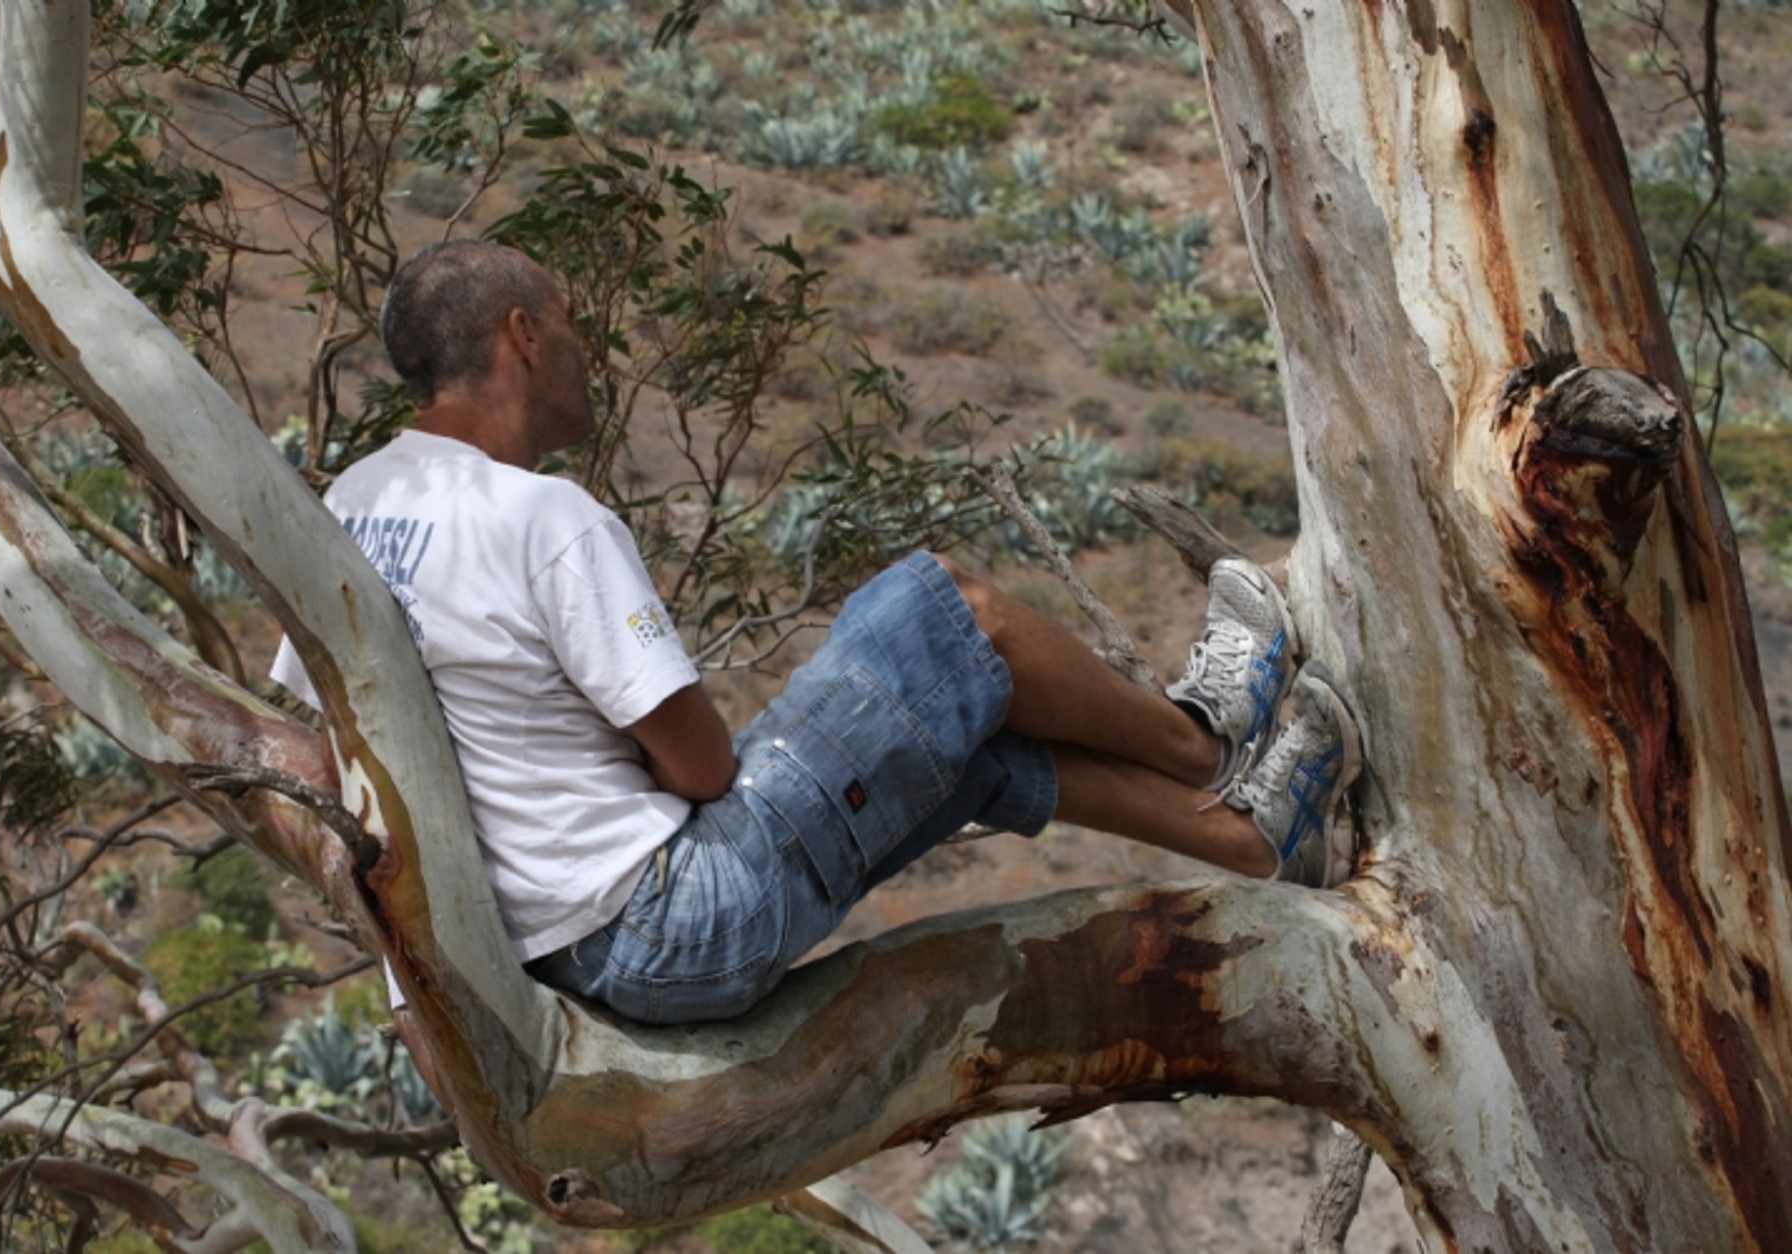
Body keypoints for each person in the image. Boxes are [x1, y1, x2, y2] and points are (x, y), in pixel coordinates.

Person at [272, 240, 1362, 1026]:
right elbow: (700, 771)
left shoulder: (349, 508)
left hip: (556, 955)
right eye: (568, 326)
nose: (583, 353)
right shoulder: (538, 516)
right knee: (947, 612)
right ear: (521, 335)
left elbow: (318, 739)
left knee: (958, 743)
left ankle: (1255, 840)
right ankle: (1204, 737)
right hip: (674, 918)